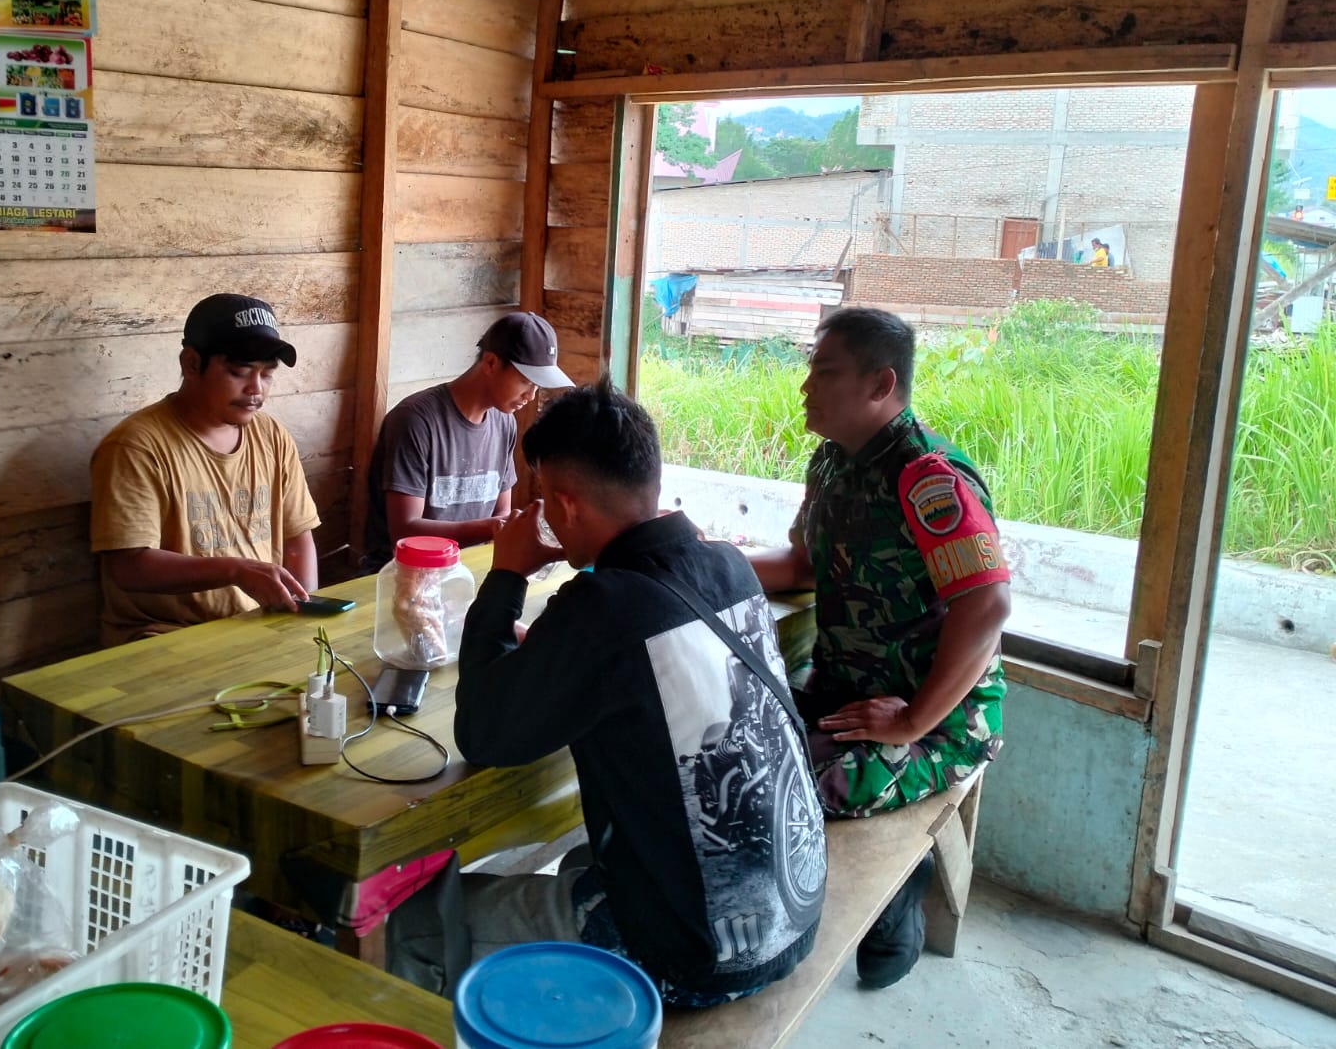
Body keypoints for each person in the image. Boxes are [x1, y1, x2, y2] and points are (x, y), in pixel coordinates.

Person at [387, 380, 827, 1008]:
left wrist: (507, 574)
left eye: (543, 497)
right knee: (576, 864)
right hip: (790, 910)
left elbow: (482, 733)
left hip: (692, 956)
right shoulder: (727, 565)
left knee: (409, 920)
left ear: (566, 506)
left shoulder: (601, 607)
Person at [748, 306, 1010, 987]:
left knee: (785, 789)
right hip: (848, 696)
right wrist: (699, 559)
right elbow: (802, 565)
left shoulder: (928, 478)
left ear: (880, 384)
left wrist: (915, 719)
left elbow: (987, 605)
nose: (806, 386)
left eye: (825, 371)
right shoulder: (833, 462)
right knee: (731, 744)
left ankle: (897, 898)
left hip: (939, 723)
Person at [89, 293, 321, 646]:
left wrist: (302, 611)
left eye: (267, 374)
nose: (256, 389)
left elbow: (297, 538)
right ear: (192, 363)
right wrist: (235, 570)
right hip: (164, 637)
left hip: (260, 626)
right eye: (239, 371)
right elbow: (129, 566)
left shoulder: (271, 435)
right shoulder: (136, 446)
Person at [361, 311, 572, 568]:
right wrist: (496, 527)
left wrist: (505, 527)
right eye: (526, 381)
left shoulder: (504, 423)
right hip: (400, 572)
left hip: (466, 567)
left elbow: (501, 513)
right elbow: (405, 532)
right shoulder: (415, 420)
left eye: (538, 386)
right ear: (491, 363)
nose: (531, 396)